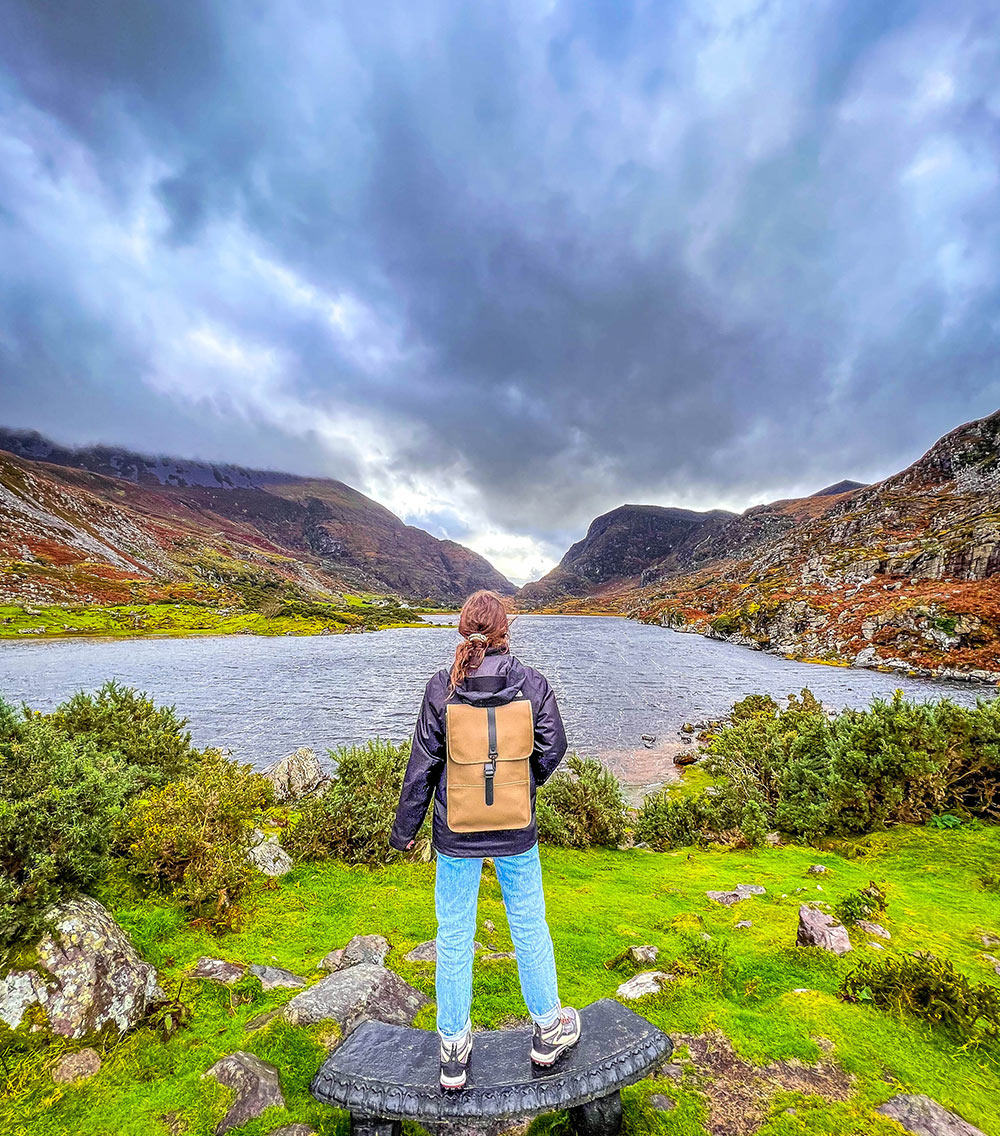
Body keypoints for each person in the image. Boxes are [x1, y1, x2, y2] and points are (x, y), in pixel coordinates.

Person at [390, 589, 580, 1090]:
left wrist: (405, 831)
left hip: (456, 831)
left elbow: (422, 765)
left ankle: (453, 1048)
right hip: (516, 828)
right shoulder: (532, 683)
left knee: (454, 935)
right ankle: (547, 1030)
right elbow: (553, 746)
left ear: (463, 628)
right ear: (504, 630)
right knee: (529, 926)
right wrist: (523, 783)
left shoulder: (441, 688)